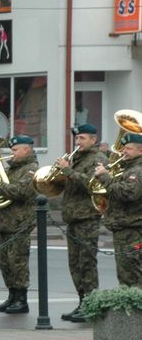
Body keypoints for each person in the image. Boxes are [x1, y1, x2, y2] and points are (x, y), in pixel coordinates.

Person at [55, 123, 107, 321]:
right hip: (73, 218)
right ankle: (82, 302)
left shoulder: (98, 158)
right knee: (74, 264)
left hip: (87, 218)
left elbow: (92, 184)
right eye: (76, 139)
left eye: (82, 138)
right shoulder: (76, 158)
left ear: (93, 140)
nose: (77, 142)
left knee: (87, 263)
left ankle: (92, 306)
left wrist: (68, 171)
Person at [0, 135, 39, 313]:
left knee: (18, 263)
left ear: (27, 150)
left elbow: (21, 191)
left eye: (15, 150)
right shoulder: (11, 169)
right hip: (6, 224)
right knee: (6, 263)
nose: (12, 154)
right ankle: (12, 296)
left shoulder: (32, 169)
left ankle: (21, 299)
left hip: (20, 224)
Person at [93, 133, 142, 287]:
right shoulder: (128, 168)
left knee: (132, 275)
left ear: (140, 151)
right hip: (123, 228)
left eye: (128, 149)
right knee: (125, 274)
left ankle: (136, 309)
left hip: (132, 229)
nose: (124, 152)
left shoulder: (137, 171)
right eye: (124, 148)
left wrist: (105, 177)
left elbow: (129, 193)